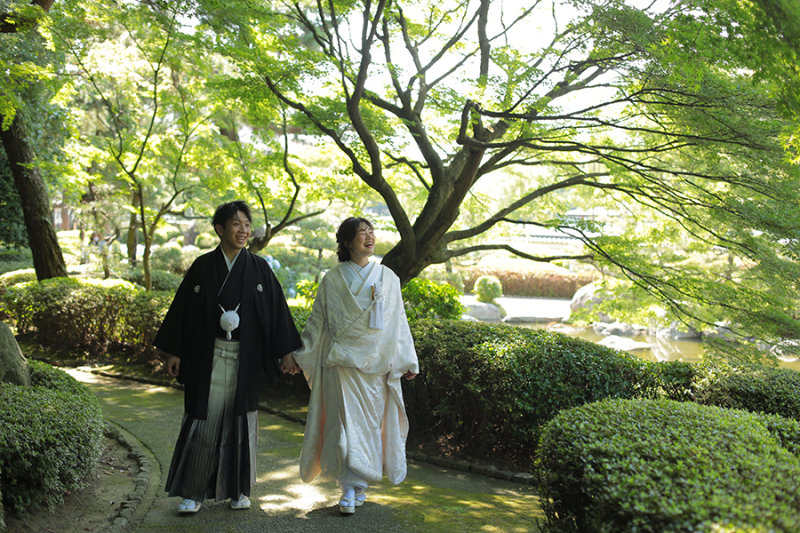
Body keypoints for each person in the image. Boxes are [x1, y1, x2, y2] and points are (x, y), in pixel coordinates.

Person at [153, 200, 301, 514]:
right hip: (206, 358)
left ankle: (238, 490)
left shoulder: (259, 268)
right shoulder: (203, 267)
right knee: (202, 421)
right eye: (236, 224)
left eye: (247, 224)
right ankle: (192, 492)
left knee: (241, 424)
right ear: (220, 229)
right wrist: (174, 352)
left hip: (244, 359)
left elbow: (276, 313)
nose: (244, 230)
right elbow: (183, 312)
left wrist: (286, 354)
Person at [282, 217, 419, 515]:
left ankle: (358, 485)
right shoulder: (332, 279)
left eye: (371, 232)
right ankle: (348, 487)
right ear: (347, 242)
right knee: (341, 427)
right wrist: (298, 354)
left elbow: (398, 324)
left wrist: (408, 359)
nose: (369, 237)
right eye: (361, 233)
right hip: (339, 365)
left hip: (375, 367)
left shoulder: (389, 278)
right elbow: (317, 322)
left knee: (368, 428)